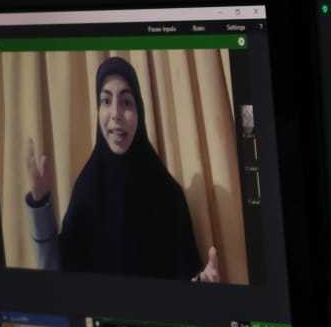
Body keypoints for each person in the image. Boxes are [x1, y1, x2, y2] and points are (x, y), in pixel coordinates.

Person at [24, 57, 219, 281]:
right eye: (106, 101)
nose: (115, 113)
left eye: (126, 102)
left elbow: (184, 282)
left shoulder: (167, 194)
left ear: (139, 114)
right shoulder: (87, 190)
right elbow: (57, 276)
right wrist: (39, 204)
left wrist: (202, 284)